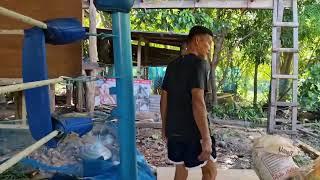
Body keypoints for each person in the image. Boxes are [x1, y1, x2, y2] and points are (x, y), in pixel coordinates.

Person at [160, 26, 217, 180]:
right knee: (210, 170)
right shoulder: (200, 64)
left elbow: (164, 97)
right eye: (209, 43)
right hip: (193, 132)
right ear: (197, 40)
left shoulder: (172, 65)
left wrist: (165, 127)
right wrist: (206, 138)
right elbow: (198, 101)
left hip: (174, 131)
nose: (209, 48)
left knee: (180, 169)